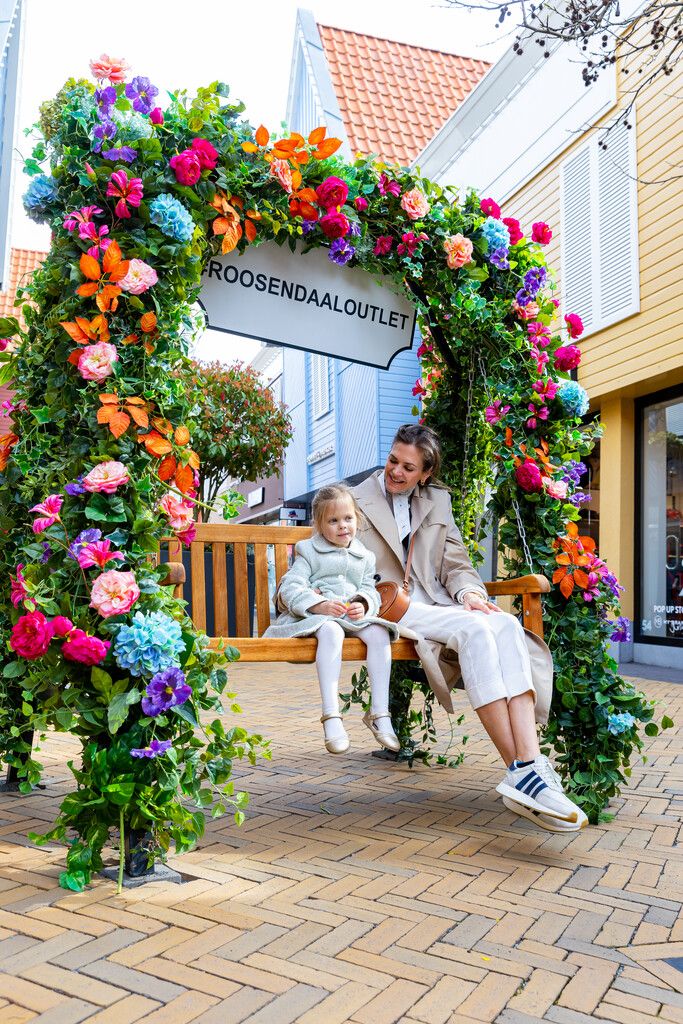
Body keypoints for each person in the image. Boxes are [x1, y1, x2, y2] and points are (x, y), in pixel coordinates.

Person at [353, 423, 587, 832]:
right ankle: (523, 771)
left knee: (506, 626)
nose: (396, 472)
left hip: (438, 605)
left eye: (408, 468)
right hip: (388, 606)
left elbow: (456, 564)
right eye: (393, 460)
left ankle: (527, 767)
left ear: (425, 473)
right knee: (477, 632)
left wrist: (470, 597)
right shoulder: (356, 500)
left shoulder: (437, 501)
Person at [264, 484, 400, 755]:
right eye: (333, 520)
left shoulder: (365, 556)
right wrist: (319, 604)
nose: (342, 526)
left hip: (351, 619)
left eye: (348, 518)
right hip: (320, 621)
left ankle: (380, 714)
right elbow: (290, 587)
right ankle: (331, 715)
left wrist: (363, 603)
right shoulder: (309, 552)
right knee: (332, 632)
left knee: (380, 633)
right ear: (319, 524)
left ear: (357, 519)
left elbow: (369, 588)